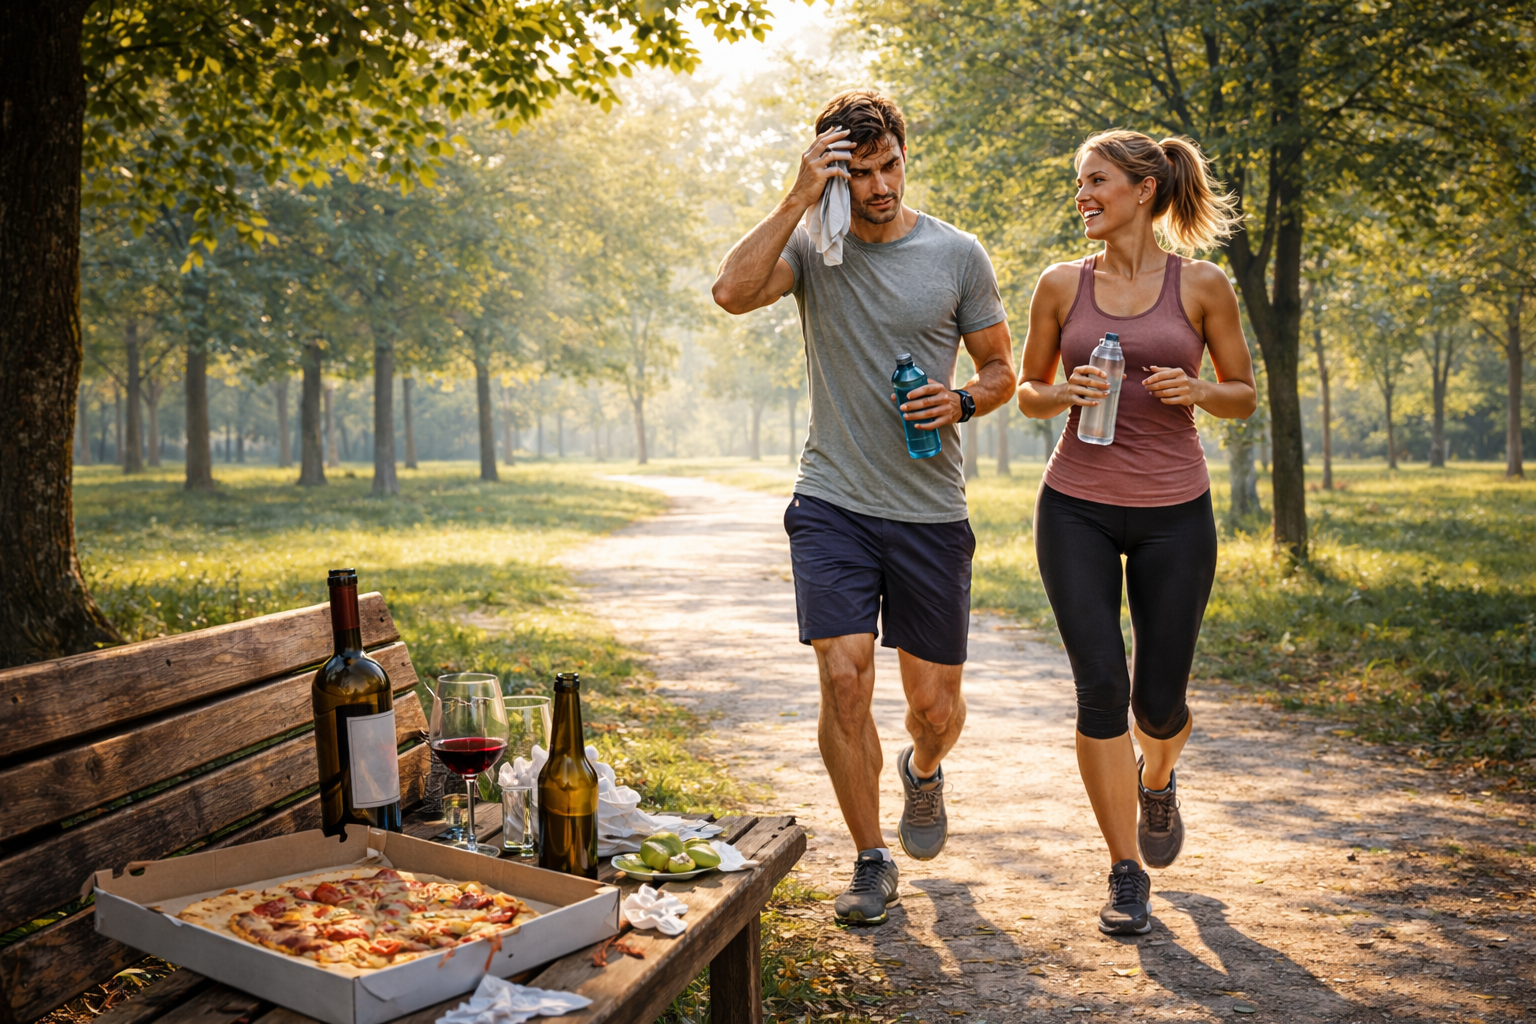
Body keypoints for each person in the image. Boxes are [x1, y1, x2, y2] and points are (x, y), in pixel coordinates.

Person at [711, 90, 1015, 925]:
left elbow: (1000, 370)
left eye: (891, 166)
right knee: (844, 675)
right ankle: (871, 858)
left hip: (929, 509)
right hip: (832, 499)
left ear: (905, 159)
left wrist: (963, 403)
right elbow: (731, 293)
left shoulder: (957, 255)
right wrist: (798, 197)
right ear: (835, 170)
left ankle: (923, 769)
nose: (879, 186)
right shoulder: (812, 246)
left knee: (933, 707)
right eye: (862, 171)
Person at [1015, 129, 1257, 936]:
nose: (1082, 195)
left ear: (1143, 191)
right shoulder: (1059, 285)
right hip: (1074, 506)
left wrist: (1198, 387)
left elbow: (1244, 394)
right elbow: (1027, 390)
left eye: (1096, 182)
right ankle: (1123, 870)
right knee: (1101, 691)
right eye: (1078, 184)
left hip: (1174, 515)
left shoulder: (1203, 286)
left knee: (1158, 705)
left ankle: (1158, 779)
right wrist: (1062, 391)